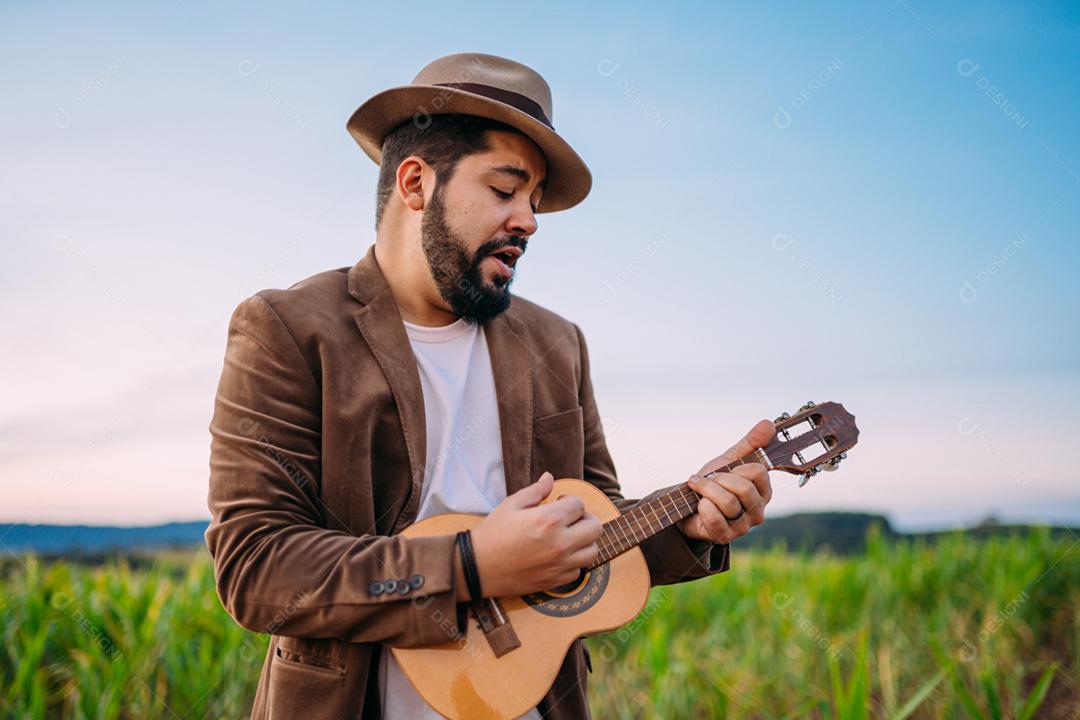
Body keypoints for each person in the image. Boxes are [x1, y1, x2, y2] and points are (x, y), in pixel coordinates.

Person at [205, 51, 774, 720]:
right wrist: (469, 566)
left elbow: (595, 524)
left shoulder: (557, 344)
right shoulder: (288, 329)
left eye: (534, 201)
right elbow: (258, 568)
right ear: (415, 184)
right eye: (505, 191)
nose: (529, 221)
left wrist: (692, 522)